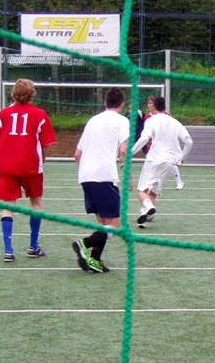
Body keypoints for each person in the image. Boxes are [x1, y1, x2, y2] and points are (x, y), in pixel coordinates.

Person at [0, 78, 56, 263]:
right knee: (36, 205)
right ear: (32, 94)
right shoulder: (40, 114)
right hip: (31, 165)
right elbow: (46, 144)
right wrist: (42, 160)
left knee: (8, 207)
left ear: (13, 94)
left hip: (7, 166)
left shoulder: (3, 115)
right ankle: (33, 246)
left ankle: (8, 250)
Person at [72, 87, 131, 273]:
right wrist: (129, 176)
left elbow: (77, 154)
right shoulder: (122, 121)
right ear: (122, 104)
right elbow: (123, 150)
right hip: (104, 175)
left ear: (105, 102)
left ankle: (95, 260)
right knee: (115, 226)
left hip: (86, 176)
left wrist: (86, 174)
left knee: (104, 224)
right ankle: (84, 243)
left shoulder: (92, 120)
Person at [132, 95, 193, 228]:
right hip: (168, 162)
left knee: (141, 191)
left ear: (154, 106)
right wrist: (182, 158)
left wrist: (130, 153)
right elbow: (189, 141)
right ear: (164, 107)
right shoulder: (175, 122)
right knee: (153, 192)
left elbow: (145, 138)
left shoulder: (151, 120)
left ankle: (147, 206)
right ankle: (143, 219)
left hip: (153, 158)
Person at [146, 95, 185, 189]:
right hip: (154, 144)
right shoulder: (147, 117)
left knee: (170, 162)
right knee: (153, 163)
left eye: (152, 103)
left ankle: (179, 182)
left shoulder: (166, 116)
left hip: (166, 144)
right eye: (149, 103)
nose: (150, 105)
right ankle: (152, 183)